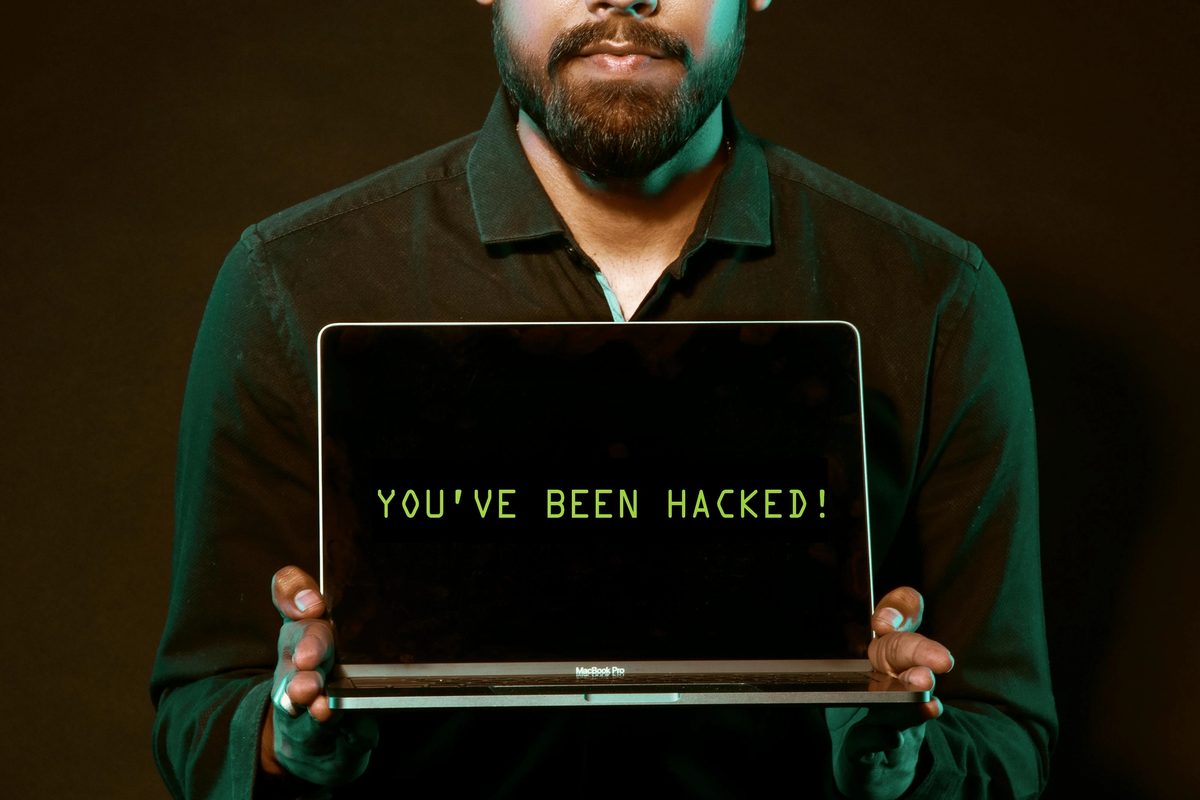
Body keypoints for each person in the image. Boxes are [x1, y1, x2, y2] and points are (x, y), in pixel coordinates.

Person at [151, 1, 1057, 797]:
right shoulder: (294, 281)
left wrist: (902, 770)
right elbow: (202, 705)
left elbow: (1005, 731)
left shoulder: (933, 299)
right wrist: (291, 742)